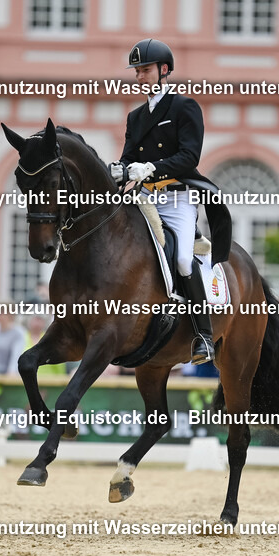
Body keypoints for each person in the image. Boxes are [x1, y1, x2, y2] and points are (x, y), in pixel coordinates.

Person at [110, 38, 231, 364]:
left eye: (145, 70)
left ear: (164, 70)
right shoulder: (135, 117)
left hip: (177, 198)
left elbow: (189, 155)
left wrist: (152, 167)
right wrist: (118, 170)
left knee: (179, 258)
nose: (139, 76)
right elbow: (127, 158)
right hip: (144, 197)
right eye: (137, 71)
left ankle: (203, 336)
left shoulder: (184, 107)